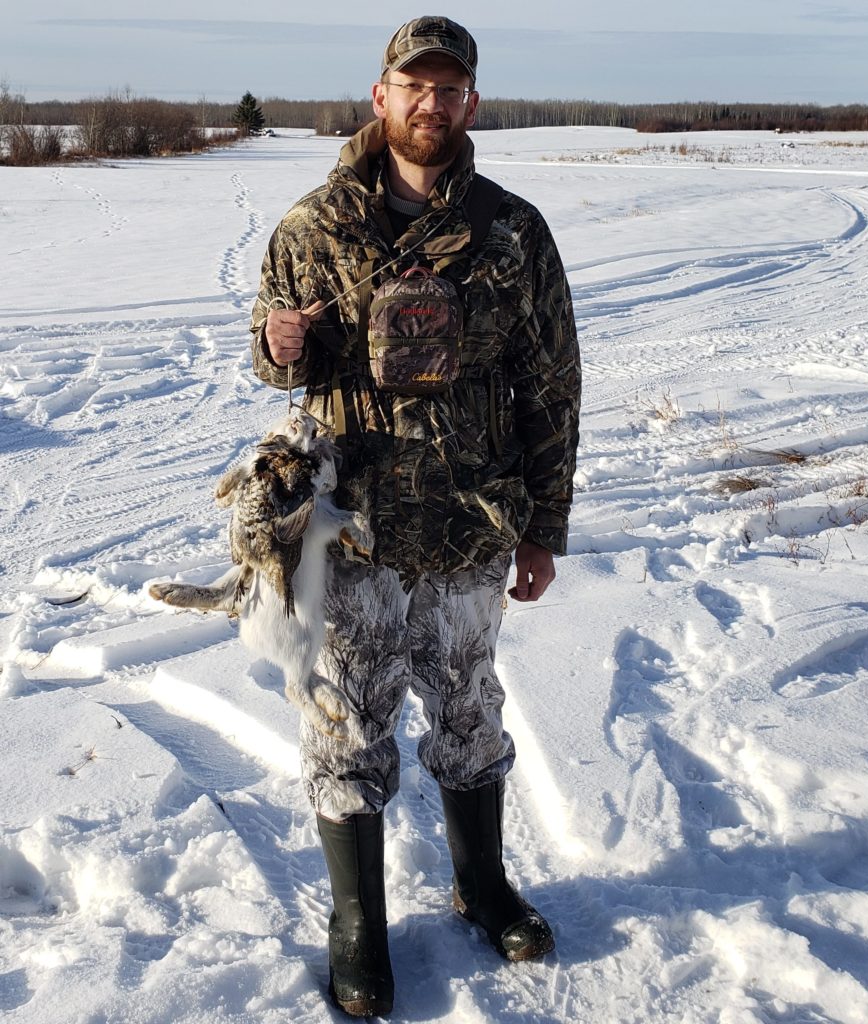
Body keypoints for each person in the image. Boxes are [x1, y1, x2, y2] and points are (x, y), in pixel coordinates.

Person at [250, 16, 580, 1017]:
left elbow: (553, 384)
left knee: (471, 708)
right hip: (353, 531)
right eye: (414, 86)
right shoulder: (314, 227)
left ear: (470, 102)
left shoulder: (513, 230)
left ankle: (480, 882)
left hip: (476, 525)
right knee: (346, 724)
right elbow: (276, 364)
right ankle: (359, 925)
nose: (431, 103)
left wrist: (543, 525)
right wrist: (276, 344)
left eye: (449, 88)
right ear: (381, 95)